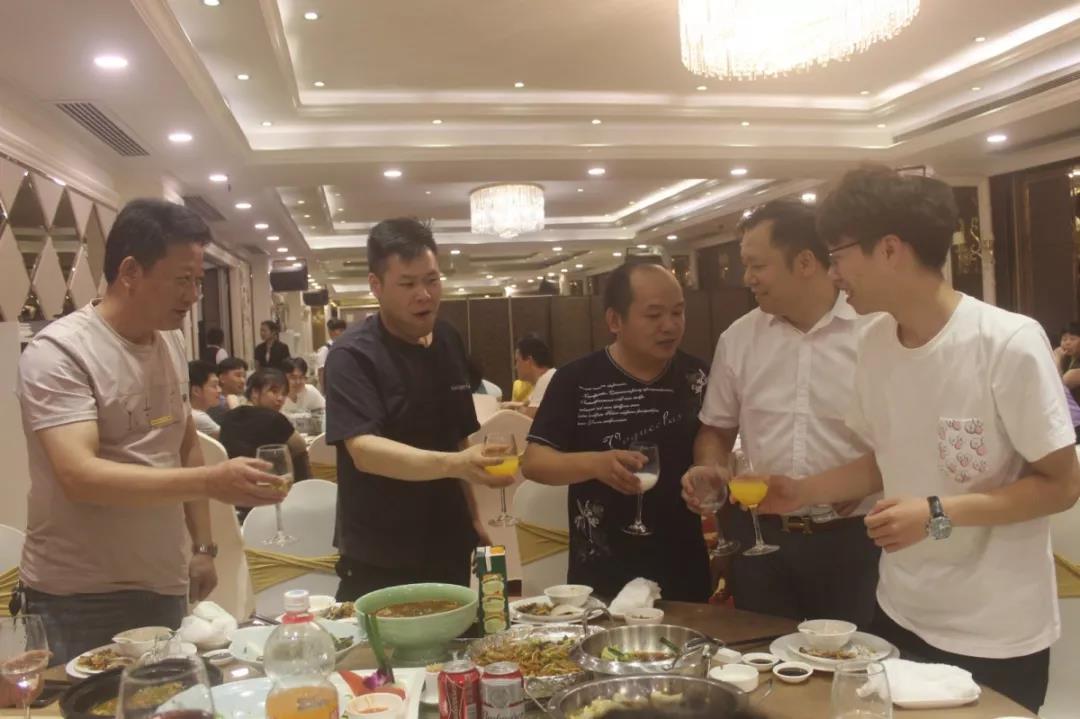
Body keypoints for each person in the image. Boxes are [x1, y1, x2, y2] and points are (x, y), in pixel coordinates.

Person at [757, 166, 1080, 713]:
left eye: (838, 255)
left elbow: (1062, 485)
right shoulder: (875, 342)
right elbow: (887, 458)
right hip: (900, 611)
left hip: (995, 629)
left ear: (889, 249)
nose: (833, 273)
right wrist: (801, 491)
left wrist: (935, 513)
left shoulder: (1007, 342)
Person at [15, 198, 284, 664]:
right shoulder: (59, 352)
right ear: (131, 271)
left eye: (198, 281)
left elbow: (184, 442)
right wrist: (211, 482)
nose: (194, 295)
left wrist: (203, 546)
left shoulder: (170, 341)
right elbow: (80, 476)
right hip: (80, 597)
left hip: (165, 582)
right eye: (183, 279)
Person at [680, 199, 879, 627]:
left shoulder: (876, 331)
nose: (747, 278)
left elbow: (909, 433)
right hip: (761, 538)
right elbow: (716, 429)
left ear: (805, 262)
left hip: (858, 539)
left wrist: (865, 477)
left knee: (860, 658)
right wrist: (711, 468)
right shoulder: (739, 338)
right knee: (764, 655)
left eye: (757, 265)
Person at [324, 218, 513, 599]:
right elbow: (364, 451)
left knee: (458, 636)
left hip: (449, 536)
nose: (424, 295)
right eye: (408, 284)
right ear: (376, 285)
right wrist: (457, 465)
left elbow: (456, 436)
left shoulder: (447, 339)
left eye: (432, 280)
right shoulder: (352, 355)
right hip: (381, 547)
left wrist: (473, 517)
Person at [521, 262, 712, 602]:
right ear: (614, 320)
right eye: (653, 315)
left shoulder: (698, 377)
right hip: (601, 572)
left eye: (678, 312)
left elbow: (713, 446)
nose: (670, 325)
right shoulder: (576, 380)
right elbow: (534, 462)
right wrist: (596, 464)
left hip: (683, 565)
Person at [218, 368, 311, 482]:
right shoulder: (273, 418)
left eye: (283, 394)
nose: (280, 398)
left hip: (231, 483)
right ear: (255, 392)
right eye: (274, 391)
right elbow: (300, 446)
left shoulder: (228, 416)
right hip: (270, 484)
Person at [513, 334, 555, 418]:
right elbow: (525, 404)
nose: (515, 367)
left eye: (517, 360)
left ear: (529, 361)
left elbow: (527, 419)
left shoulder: (546, 379)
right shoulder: (547, 377)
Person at [208, 357, 248, 424]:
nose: (243, 381)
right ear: (222, 378)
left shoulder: (246, 400)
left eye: (244, 376)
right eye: (238, 376)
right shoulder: (213, 403)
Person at [188, 360, 222, 438]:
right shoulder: (198, 417)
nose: (219, 390)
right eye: (214, 386)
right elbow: (232, 438)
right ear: (196, 391)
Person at [316, 318, 347, 392]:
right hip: (329, 389)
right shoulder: (325, 350)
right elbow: (321, 373)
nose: (343, 333)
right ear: (331, 332)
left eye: (344, 330)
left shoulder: (341, 347)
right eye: (340, 330)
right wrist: (325, 391)